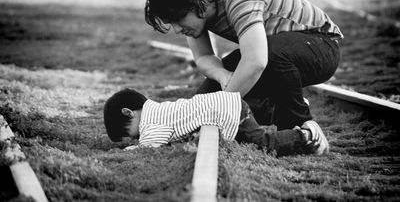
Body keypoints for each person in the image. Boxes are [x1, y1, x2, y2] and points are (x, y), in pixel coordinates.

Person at [144, 0, 342, 132]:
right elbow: (203, 58)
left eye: (178, 20)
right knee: (206, 95)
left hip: (321, 46)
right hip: (276, 53)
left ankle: (299, 125)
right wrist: (223, 76)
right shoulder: (200, 3)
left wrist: (220, 108)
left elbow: (256, 61)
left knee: (268, 54)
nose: (177, 30)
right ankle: (279, 106)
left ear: (194, 0)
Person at [103, 88, 329, 156]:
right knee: (250, 121)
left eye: (130, 134)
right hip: (228, 104)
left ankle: (304, 138)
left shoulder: (151, 123)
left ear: (129, 112)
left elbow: (150, 145)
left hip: (225, 112)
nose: (136, 137)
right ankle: (279, 108)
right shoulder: (159, 109)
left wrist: (131, 149)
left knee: (261, 143)